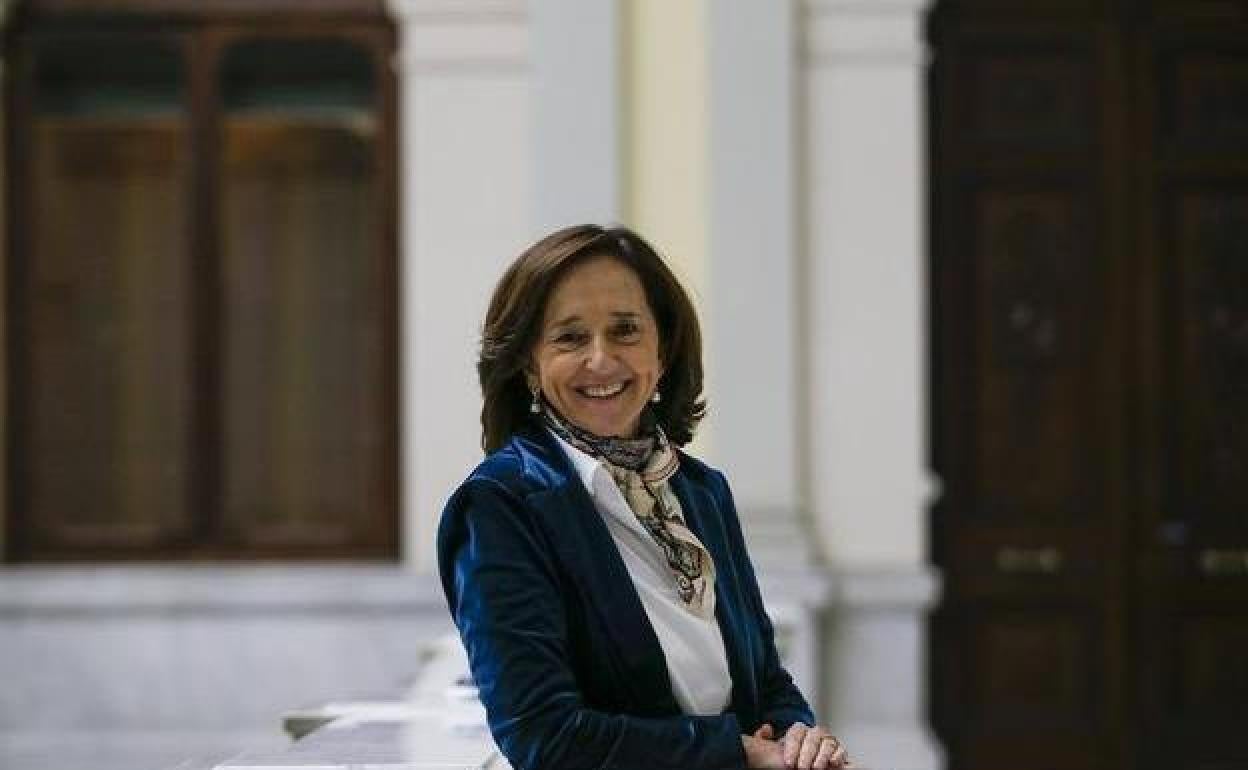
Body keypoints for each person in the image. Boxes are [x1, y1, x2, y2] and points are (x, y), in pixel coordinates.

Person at [437, 225, 852, 770]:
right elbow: (543, 737)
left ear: (664, 348)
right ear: (529, 364)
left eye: (626, 330)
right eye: (570, 338)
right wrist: (736, 751)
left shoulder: (702, 491)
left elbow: (766, 678)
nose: (601, 358)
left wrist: (800, 741)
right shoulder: (500, 506)